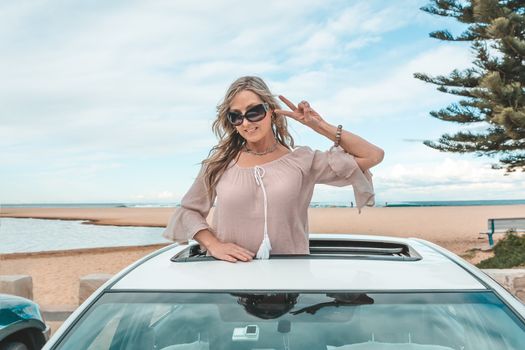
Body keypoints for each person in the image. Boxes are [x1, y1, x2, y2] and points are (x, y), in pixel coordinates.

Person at [163, 76, 384, 262]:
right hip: (229, 278)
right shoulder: (219, 164)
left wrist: (319, 126)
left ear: (271, 111)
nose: (246, 123)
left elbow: (373, 155)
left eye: (254, 112)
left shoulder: (302, 161)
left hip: (289, 279)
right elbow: (188, 211)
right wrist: (214, 245)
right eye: (236, 116)